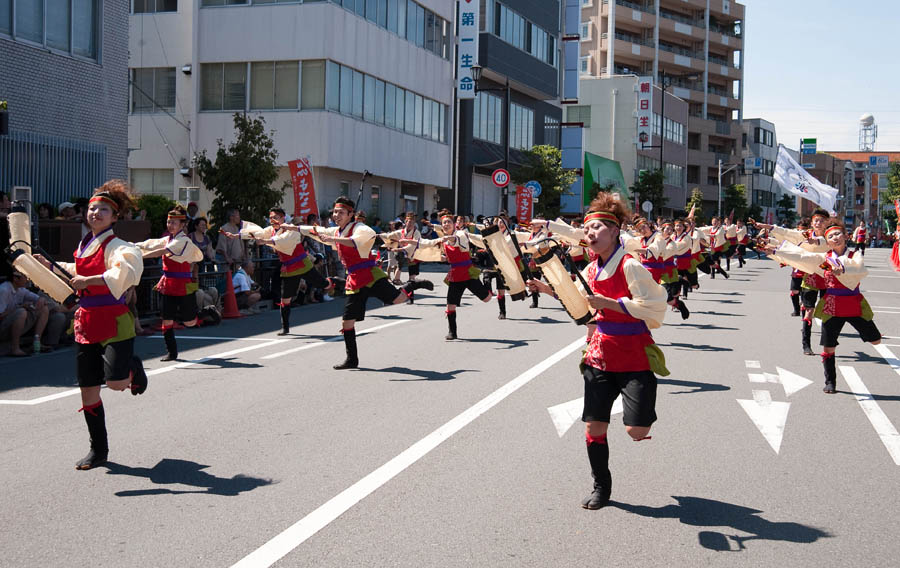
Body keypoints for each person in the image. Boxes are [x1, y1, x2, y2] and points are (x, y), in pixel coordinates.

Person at [525, 193, 668, 510]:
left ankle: (641, 412)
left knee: (636, 430)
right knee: (594, 427)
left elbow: (657, 306)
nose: (589, 235)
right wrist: (548, 288)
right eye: (586, 231)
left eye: (598, 229)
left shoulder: (631, 266)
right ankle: (601, 487)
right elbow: (578, 304)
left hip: (634, 357)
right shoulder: (589, 271)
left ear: (616, 232)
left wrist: (613, 304)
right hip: (600, 356)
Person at [34, 180, 148, 470]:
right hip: (86, 322)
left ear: (115, 216)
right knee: (88, 391)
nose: (95, 213)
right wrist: (50, 266)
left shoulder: (121, 247)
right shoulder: (85, 245)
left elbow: (126, 272)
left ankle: (132, 367)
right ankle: (99, 451)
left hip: (114, 320)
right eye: (92, 209)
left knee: (117, 383)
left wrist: (92, 281)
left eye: (103, 210)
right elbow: (78, 270)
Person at [291, 197, 434, 369]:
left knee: (398, 300)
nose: (336, 215)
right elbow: (315, 230)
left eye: (341, 212)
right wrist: (294, 227)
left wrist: (334, 241)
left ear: (351, 214)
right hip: (354, 279)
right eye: (335, 212)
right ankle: (352, 359)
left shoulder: (361, 228)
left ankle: (413, 285)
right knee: (347, 322)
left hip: (370, 274)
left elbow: (355, 241)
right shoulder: (337, 231)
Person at [765, 220, 881, 393]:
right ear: (827, 242)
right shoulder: (824, 259)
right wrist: (775, 251)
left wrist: (841, 269)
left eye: (838, 234)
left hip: (854, 304)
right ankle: (830, 382)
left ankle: (868, 335)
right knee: (828, 347)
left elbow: (860, 269)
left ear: (846, 236)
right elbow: (801, 257)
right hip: (832, 306)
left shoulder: (854, 256)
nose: (835, 237)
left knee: (876, 340)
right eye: (831, 236)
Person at [223, 208, 334, 335]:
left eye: (276, 217)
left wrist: (265, 241)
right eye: (271, 218)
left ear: (282, 218)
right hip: (289, 268)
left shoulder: (291, 228)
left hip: (302, 264)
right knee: (285, 299)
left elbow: (282, 241)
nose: (273, 220)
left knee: (324, 284)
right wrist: (237, 235)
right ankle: (285, 328)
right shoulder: (271, 230)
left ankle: (336, 282)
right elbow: (258, 233)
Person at [403, 211, 492, 340]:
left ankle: (487, 282)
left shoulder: (460, 234)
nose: (446, 224)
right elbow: (428, 243)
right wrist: (409, 242)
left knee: (487, 298)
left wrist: (449, 238)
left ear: (454, 224)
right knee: (450, 305)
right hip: (455, 275)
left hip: (468, 273)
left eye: (449, 222)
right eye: (444, 223)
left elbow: (457, 240)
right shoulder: (443, 240)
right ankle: (452, 332)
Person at [135, 205, 203, 361]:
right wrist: (134, 246)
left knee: (189, 322)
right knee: (166, 319)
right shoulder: (168, 239)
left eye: (173, 223)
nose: (170, 225)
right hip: (168, 283)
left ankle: (207, 312)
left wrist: (140, 256)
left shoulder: (183, 240)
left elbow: (162, 251)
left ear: (182, 225)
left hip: (182, 283)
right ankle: (171, 352)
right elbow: (152, 243)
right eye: (168, 222)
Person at [0, 271, 51, 356]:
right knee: (21, 312)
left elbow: (39, 299)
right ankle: (15, 348)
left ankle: (36, 343)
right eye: (25, 277)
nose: (27, 280)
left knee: (44, 309)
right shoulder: (3, 290)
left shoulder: (21, 289)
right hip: (2, 328)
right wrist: (21, 307)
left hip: (12, 325)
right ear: (15, 278)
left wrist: (41, 300)